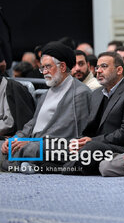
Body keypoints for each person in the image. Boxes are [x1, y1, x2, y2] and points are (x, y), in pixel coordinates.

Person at [1, 41, 92, 171]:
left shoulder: (79, 93)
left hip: (58, 147)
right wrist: (16, 139)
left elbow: (70, 134)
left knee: (30, 149)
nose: (44, 72)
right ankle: (28, 164)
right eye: (42, 68)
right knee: (6, 148)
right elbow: (32, 124)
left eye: (47, 67)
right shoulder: (46, 94)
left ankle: (28, 164)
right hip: (37, 144)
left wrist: (31, 143)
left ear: (62, 66)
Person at [63, 51, 124, 175]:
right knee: (66, 145)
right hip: (95, 144)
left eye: (104, 66)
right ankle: (61, 165)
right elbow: (89, 128)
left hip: (119, 148)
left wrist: (92, 141)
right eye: (97, 67)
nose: (99, 71)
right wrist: (79, 141)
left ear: (119, 70)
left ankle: (60, 167)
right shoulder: (96, 94)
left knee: (90, 149)